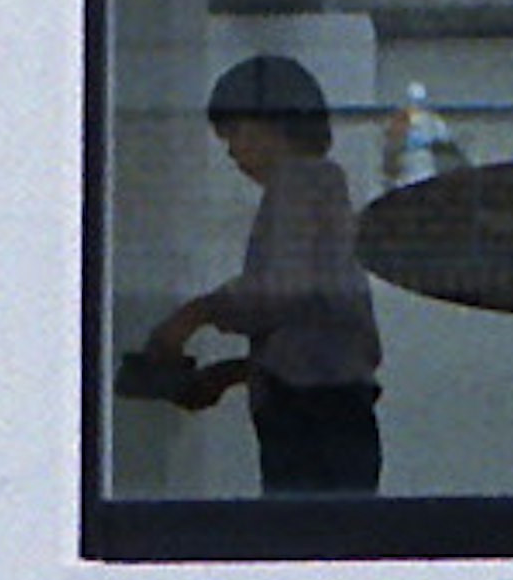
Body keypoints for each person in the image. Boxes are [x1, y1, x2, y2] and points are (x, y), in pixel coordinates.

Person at [137, 50, 383, 501]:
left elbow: (282, 292)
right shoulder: (316, 190)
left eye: (236, 132)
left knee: (304, 534)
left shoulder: (300, 185)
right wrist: (234, 374)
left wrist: (194, 315)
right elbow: (309, 332)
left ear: (276, 123)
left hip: (315, 416)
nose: (231, 149)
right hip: (325, 407)